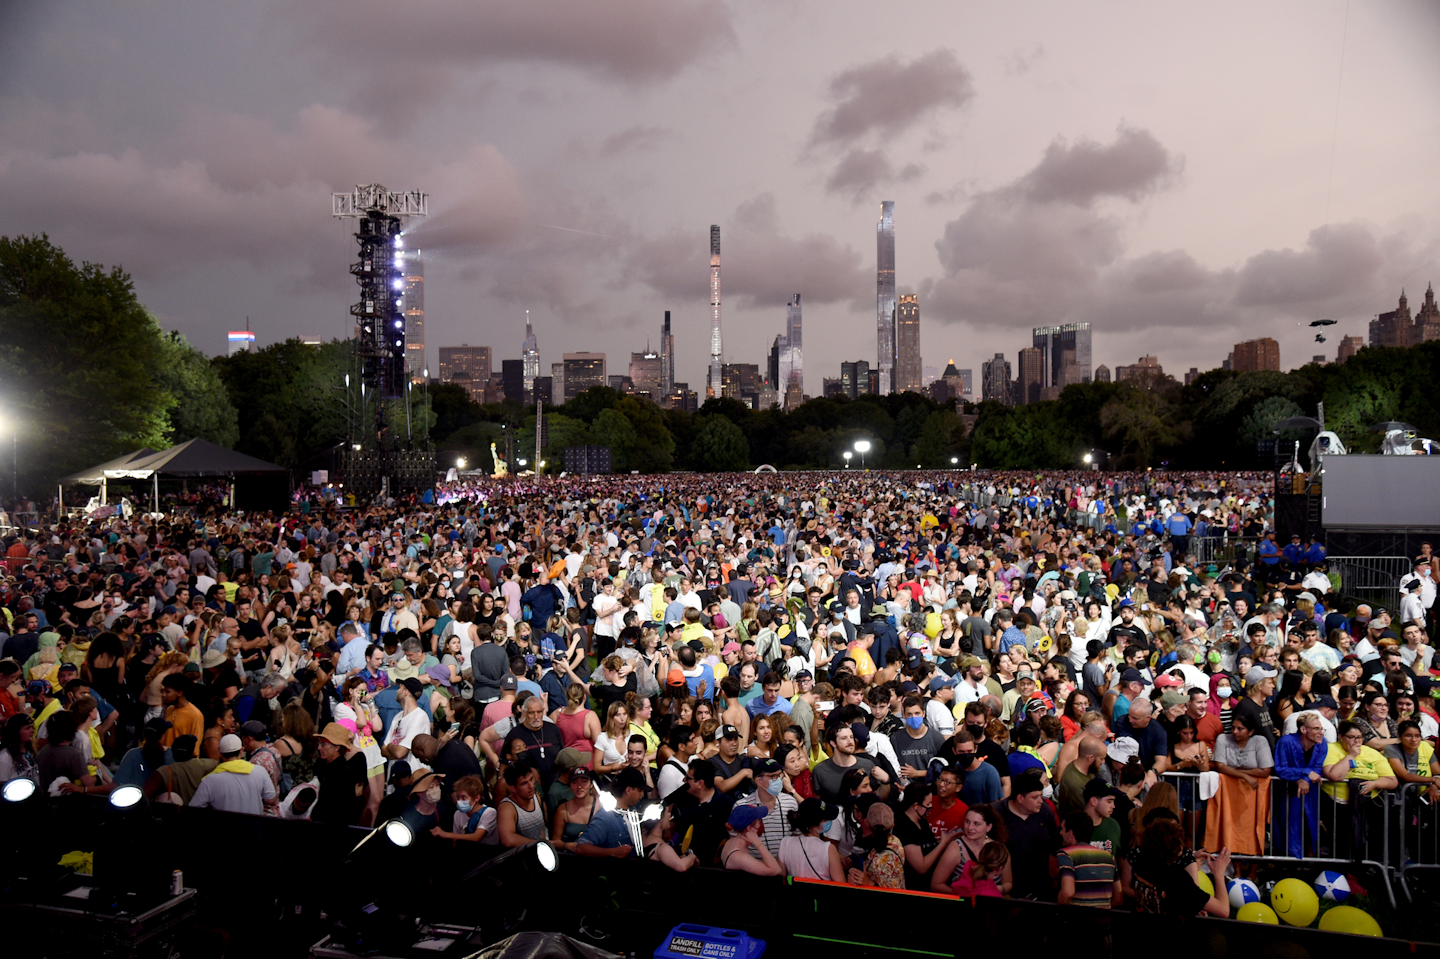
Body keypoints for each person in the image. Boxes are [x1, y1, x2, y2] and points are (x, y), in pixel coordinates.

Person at [1127, 811, 1231, 916]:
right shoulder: (1179, 878)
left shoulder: (1139, 863)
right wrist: (1218, 873)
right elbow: (1223, 910)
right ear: (1174, 847)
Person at [997, 769, 1060, 901]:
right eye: (1035, 797)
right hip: (1008, 890)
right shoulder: (997, 814)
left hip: (1041, 889)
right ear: (1020, 798)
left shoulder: (1045, 812)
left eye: (1040, 796)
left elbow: (1055, 844)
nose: (1040, 801)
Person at [1274, 712, 1328, 858]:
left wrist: (1305, 779)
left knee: (1310, 825)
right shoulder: (1286, 742)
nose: (1320, 733)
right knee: (1287, 826)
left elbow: (1317, 768)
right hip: (1288, 793)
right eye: (1316, 729)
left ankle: (1309, 862)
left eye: (1321, 729)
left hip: (1310, 793)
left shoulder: (1322, 745)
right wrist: (1305, 773)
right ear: (1304, 730)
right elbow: (1281, 769)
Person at [189, 733, 278, 815]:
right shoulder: (260, 771)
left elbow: (193, 809)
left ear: (219, 753)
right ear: (241, 750)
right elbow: (271, 800)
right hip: (254, 830)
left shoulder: (209, 780)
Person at [931, 804, 1011, 896]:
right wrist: (964, 896)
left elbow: (1008, 882)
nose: (969, 828)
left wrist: (992, 891)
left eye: (976, 824)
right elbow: (936, 885)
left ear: (989, 827)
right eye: (967, 822)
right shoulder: (956, 848)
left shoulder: (998, 849)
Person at [1057, 811, 1121, 908]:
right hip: (1105, 920)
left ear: (1070, 833)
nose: (1060, 833)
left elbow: (1067, 893)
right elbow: (1118, 898)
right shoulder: (1109, 857)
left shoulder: (1066, 854)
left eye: (1062, 829)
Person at [311, 722, 368, 825]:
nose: (319, 748)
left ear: (337, 747)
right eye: (319, 744)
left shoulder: (343, 772)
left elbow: (341, 808)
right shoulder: (324, 764)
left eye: (323, 744)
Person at [779, 798, 847, 881]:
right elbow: (841, 884)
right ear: (814, 824)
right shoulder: (828, 849)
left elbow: (781, 879)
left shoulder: (785, 843)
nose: (829, 821)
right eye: (825, 819)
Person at [719, 803, 785, 876]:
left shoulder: (731, 841)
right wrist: (758, 842)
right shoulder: (739, 856)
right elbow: (776, 870)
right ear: (749, 828)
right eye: (759, 821)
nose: (761, 824)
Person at [496, 758, 547, 847]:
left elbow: (540, 830)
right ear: (513, 788)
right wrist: (538, 844)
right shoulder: (507, 808)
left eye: (531, 779)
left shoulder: (536, 798)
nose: (531, 786)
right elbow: (508, 839)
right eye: (524, 783)